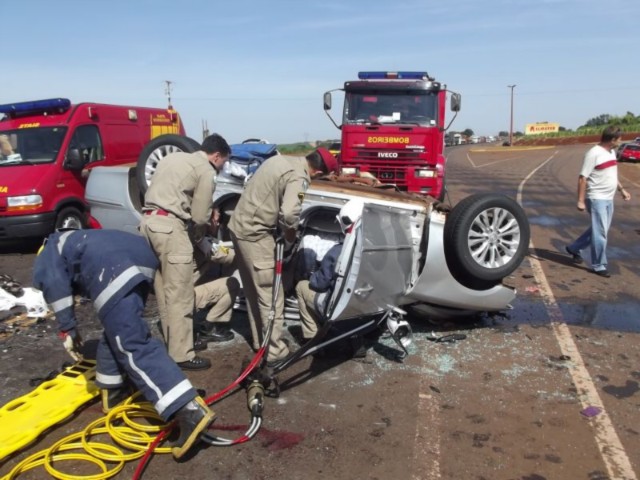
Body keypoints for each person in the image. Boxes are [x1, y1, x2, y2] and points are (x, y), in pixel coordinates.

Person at [32, 229, 214, 459]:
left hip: (112, 265)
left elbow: (54, 285)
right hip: (139, 257)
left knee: (131, 342)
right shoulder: (75, 238)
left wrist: (67, 328)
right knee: (116, 329)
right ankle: (114, 391)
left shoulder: (48, 252)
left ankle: (188, 410)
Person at [228, 148, 338, 365]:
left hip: (239, 227)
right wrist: (290, 236)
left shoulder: (278, 160)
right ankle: (275, 351)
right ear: (317, 172)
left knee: (254, 290)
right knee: (271, 296)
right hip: (256, 235)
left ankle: (263, 342)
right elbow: (289, 214)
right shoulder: (300, 176)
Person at [139, 134, 231, 370]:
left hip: (147, 224)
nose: (222, 168)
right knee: (180, 293)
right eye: (223, 163)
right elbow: (200, 217)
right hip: (171, 228)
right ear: (217, 156)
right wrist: (202, 237)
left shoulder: (173, 158)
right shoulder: (206, 170)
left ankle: (176, 342)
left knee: (163, 288)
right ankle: (182, 354)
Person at [565, 126, 631, 277]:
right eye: (619, 139)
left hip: (609, 198)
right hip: (596, 198)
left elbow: (612, 175)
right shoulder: (593, 153)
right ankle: (599, 265)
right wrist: (580, 200)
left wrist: (621, 190)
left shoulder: (611, 152)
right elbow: (583, 177)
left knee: (599, 230)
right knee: (600, 233)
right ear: (612, 139)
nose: (620, 142)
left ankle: (574, 248)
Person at [295, 200, 364, 342]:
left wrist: (312, 275)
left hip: (339, 308)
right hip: (364, 310)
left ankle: (312, 338)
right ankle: (357, 341)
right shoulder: (377, 250)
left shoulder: (337, 252)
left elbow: (319, 284)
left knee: (301, 287)